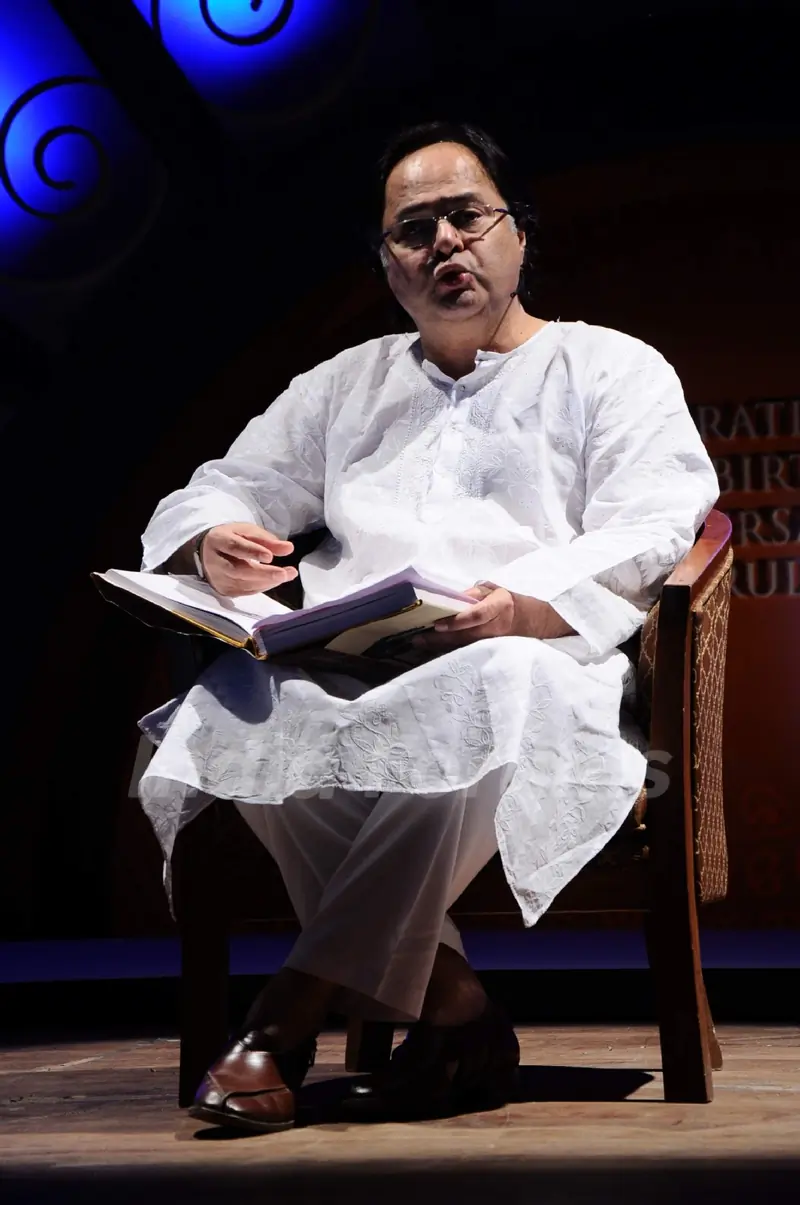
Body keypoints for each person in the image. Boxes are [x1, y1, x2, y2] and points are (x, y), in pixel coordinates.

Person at [137, 121, 719, 1132]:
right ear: (387, 264)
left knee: (487, 685)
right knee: (238, 699)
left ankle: (283, 1015)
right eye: (414, 229)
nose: (443, 242)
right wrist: (213, 535)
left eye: (465, 217)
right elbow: (223, 484)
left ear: (517, 233)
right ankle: (456, 1009)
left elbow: (657, 521)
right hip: (357, 669)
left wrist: (522, 605)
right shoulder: (345, 385)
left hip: (536, 662)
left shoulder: (607, 367)